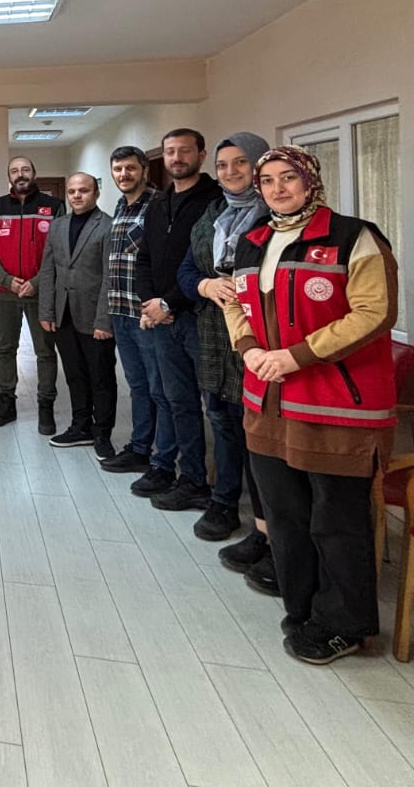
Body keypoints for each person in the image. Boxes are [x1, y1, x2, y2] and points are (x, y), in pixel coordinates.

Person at [220, 146, 398, 665]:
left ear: (310, 180)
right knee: (284, 516)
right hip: (267, 400)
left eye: (288, 178)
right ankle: (302, 610)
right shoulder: (254, 240)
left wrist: (295, 356)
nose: (278, 189)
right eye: (268, 181)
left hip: (337, 403)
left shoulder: (353, 237)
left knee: (337, 521)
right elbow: (237, 303)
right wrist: (250, 350)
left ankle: (346, 625)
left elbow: (374, 312)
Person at [177, 133, 270, 546]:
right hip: (214, 334)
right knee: (223, 421)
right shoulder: (212, 215)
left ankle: (268, 525)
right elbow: (186, 270)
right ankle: (224, 502)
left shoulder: (276, 217)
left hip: (261, 338)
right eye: (222, 165)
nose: (231, 172)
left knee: (260, 433)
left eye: (241, 163)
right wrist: (205, 286)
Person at [131, 129, 218, 511]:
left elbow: (212, 266)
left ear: (201, 154)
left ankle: (221, 490)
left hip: (202, 319)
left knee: (218, 410)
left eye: (184, 150)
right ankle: (188, 477)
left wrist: (169, 303)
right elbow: (144, 259)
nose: (176, 157)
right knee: (177, 402)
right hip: (163, 321)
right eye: (169, 151)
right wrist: (151, 303)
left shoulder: (215, 201)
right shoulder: (158, 204)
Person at [0, 156, 65, 433]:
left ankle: (46, 407)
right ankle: (7, 403)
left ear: (34, 173)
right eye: (15, 171)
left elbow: (60, 249)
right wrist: (7, 280)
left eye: (25, 169)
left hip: (41, 292)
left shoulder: (53, 206)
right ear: (9, 176)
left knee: (45, 351)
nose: (20, 174)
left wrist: (37, 282)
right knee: (6, 349)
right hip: (4, 292)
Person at [36, 173, 116, 454]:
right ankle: (80, 426)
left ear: (96, 193)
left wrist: (104, 320)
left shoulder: (107, 226)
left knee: (101, 377)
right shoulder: (57, 226)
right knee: (74, 375)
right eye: (72, 192)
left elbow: (110, 277)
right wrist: (46, 311)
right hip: (64, 314)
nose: (77, 196)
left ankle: (102, 433)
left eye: (83, 190)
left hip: (94, 318)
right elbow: (48, 270)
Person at [99, 147, 162, 473]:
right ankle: (140, 449)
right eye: (118, 169)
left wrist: (155, 305)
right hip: (120, 310)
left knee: (158, 388)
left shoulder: (158, 206)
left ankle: (163, 458)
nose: (123, 174)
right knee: (138, 386)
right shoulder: (120, 206)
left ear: (144, 170)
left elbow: (162, 261)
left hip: (146, 314)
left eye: (130, 168)